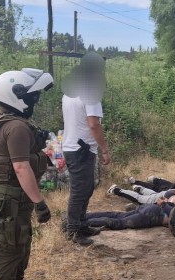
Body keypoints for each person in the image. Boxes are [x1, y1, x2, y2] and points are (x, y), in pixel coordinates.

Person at [0, 68, 54, 280]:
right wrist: (40, 202)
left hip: (10, 194)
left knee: (20, 242)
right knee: (8, 247)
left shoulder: (1, 120)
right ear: (16, 96)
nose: (33, 102)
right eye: (31, 97)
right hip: (9, 196)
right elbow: (21, 167)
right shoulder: (16, 127)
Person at [61, 52, 112, 246]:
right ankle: (73, 230)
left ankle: (82, 224)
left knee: (86, 187)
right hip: (81, 150)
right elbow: (94, 125)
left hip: (74, 147)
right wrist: (105, 149)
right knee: (80, 190)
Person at [86, 202, 172, 231]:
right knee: (119, 223)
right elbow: (172, 214)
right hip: (153, 215)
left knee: (117, 215)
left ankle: (83, 216)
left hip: (152, 208)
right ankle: (81, 223)